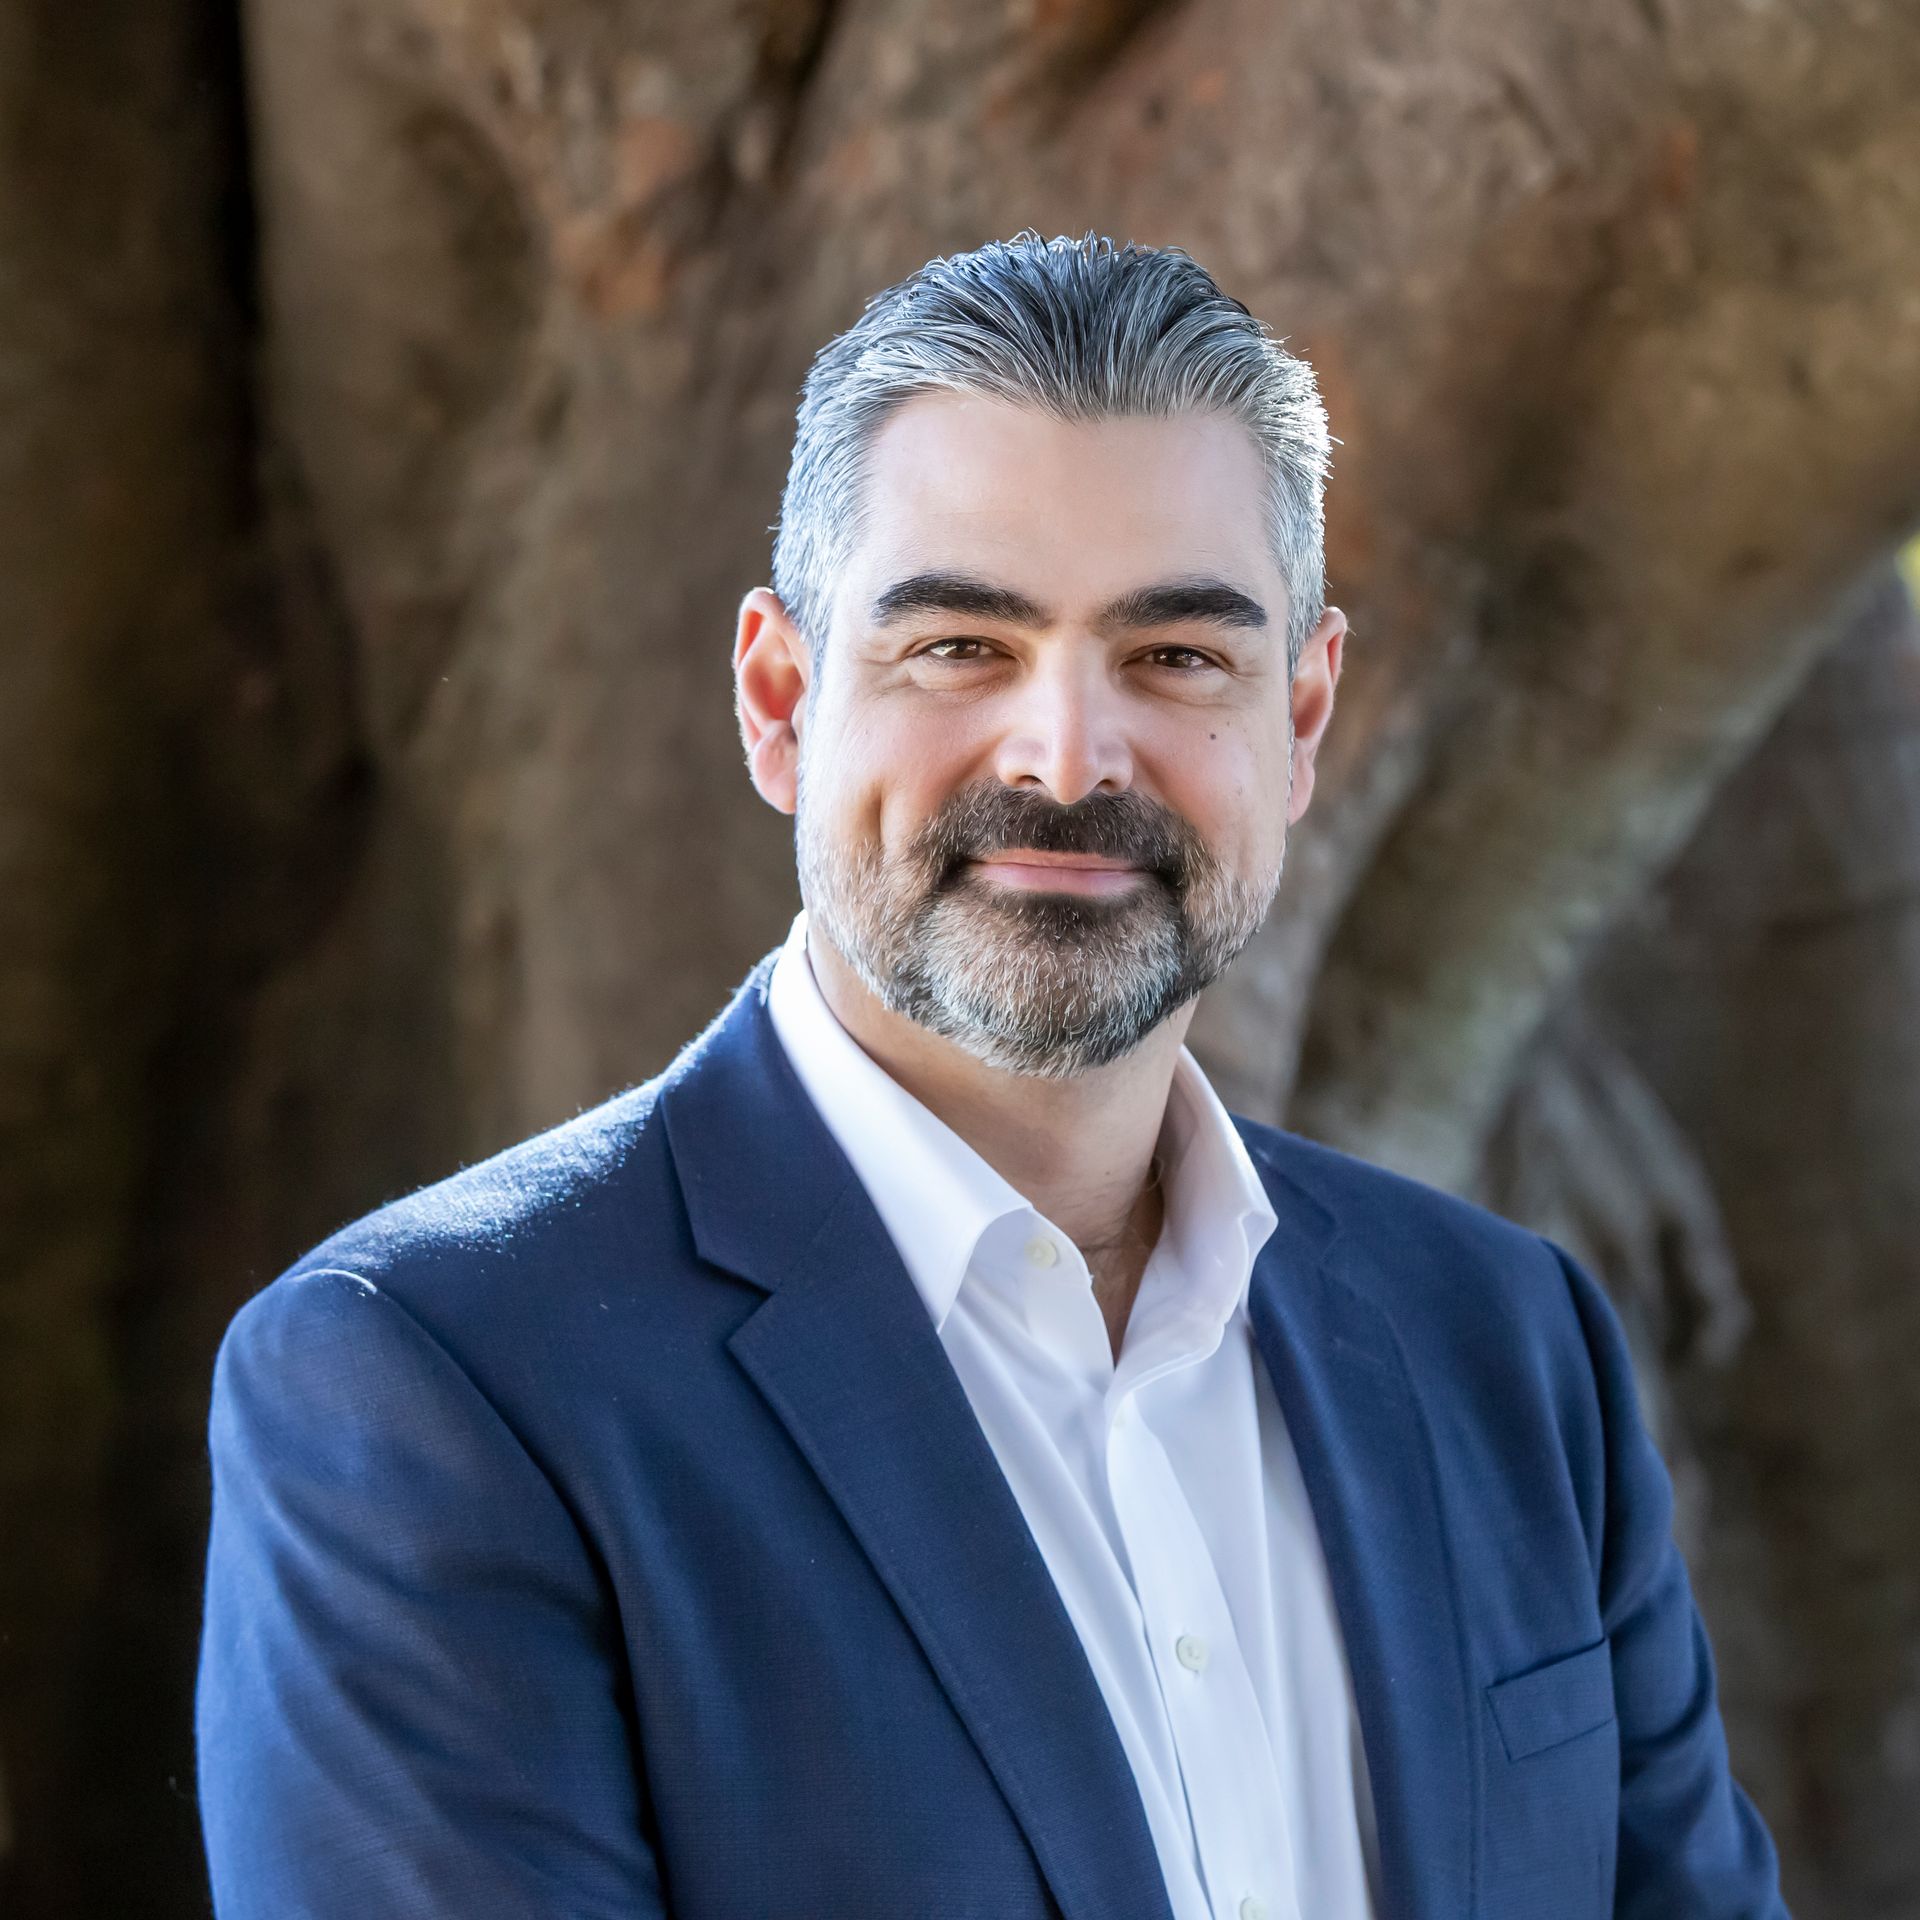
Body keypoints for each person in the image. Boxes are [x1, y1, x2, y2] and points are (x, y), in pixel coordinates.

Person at [194, 230, 1789, 1919]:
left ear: (1302, 718)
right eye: (960, 645)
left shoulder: (1508, 1350)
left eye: (1178, 656)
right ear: (781, 699)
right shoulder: (435, 1389)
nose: (1067, 756)